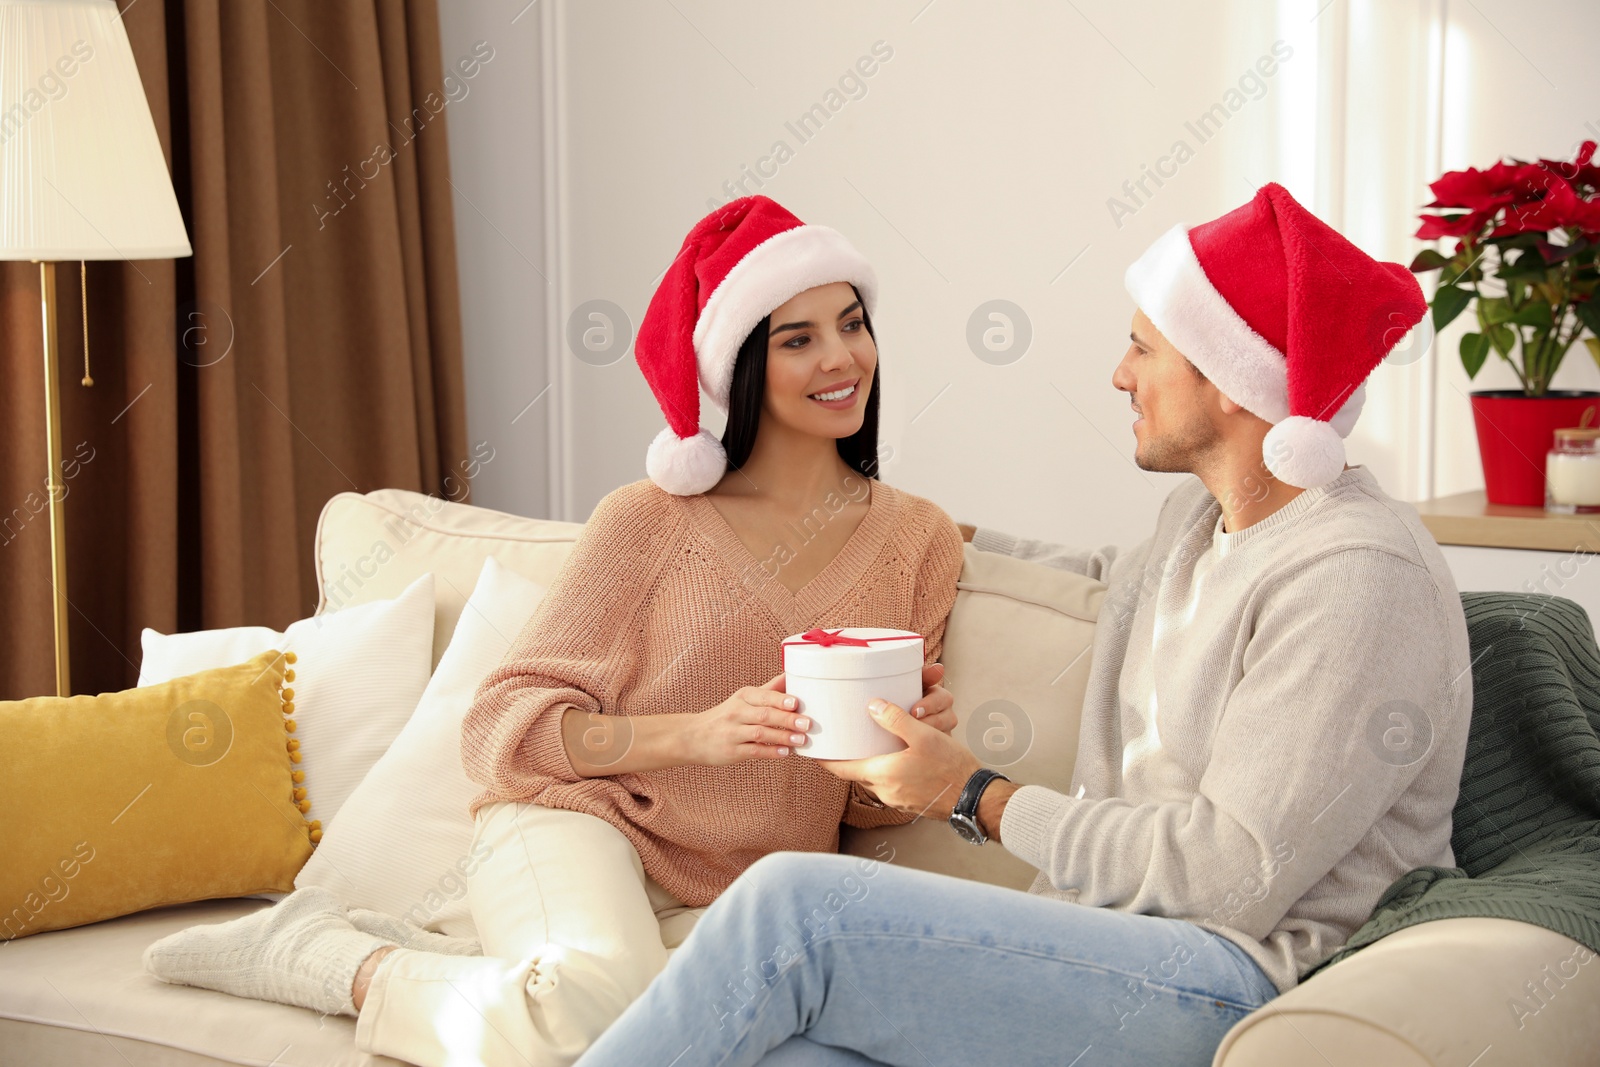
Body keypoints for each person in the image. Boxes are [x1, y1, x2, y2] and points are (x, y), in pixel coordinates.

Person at [572, 182, 1474, 1067]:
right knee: (792, 1051)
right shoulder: (1204, 526)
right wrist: (906, 524)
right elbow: (1107, 582)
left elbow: (1227, 875)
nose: (1120, 374)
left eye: (1142, 349)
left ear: (1233, 382)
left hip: (1243, 978)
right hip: (1107, 942)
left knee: (794, 910)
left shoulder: (1354, 576)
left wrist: (974, 795)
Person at [142, 196, 965, 1067]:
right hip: (580, 824)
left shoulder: (919, 539)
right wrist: (697, 733)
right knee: (594, 1017)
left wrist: (905, 763)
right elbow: (501, 727)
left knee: (689, 1031)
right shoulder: (648, 523)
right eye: (797, 338)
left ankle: (472, 966)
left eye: (851, 324)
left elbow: (859, 799)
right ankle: (326, 958)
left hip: (743, 888)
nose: (842, 358)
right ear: (741, 366)